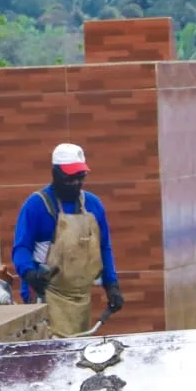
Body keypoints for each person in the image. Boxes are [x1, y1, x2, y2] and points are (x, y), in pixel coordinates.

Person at [11, 143, 124, 337]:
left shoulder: (93, 205)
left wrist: (111, 285)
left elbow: (104, 247)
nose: (76, 183)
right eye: (70, 178)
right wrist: (30, 274)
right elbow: (21, 248)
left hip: (82, 299)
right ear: (55, 173)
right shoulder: (37, 206)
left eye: (80, 177)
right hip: (48, 297)